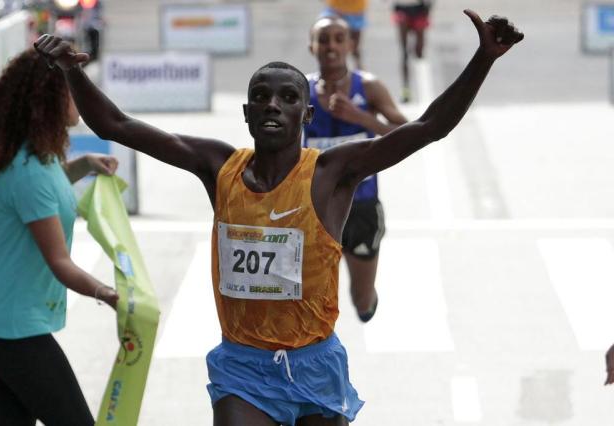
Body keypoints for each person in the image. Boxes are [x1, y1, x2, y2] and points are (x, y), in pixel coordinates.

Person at [35, 9, 523, 425]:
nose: (273, 104)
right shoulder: (217, 166)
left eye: (288, 97)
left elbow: (428, 126)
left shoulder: (334, 172)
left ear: (306, 116)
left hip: (315, 366)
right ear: (247, 114)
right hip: (242, 368)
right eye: (262, 96)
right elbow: (115, 125)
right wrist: (70, 69)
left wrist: (483, 58)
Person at [0, 49, 119, 426]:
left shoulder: (40, 156)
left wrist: (84, 165)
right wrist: (108, 294)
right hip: (12, 327)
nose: (80, 99)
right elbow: (59, 262)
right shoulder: (30, 171)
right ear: (49, 99)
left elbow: (48, 194)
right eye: (72, 89)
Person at [304, 15, 408, 322]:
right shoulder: (300, 91)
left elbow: (410, 135)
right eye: (323, 39)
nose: (331, 46)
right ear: (311, 46)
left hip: (361, 206)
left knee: (360, 301)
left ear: (351, 44)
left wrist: (362, 119)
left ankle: (366, 302)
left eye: (338, 38)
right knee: (313, 300)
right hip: (315, 207)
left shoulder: (369, 87)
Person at [392, 0, 433, 102]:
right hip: (402, 7)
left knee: (419, 51)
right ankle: (406, 90)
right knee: (405, 52)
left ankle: (423, 87)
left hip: (419, 8)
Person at [321, 0, 368, 69]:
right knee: (330, 42)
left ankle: (358, 67)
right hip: (335, 10)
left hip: (355, 11)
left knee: (355, 45)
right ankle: (330, 66)